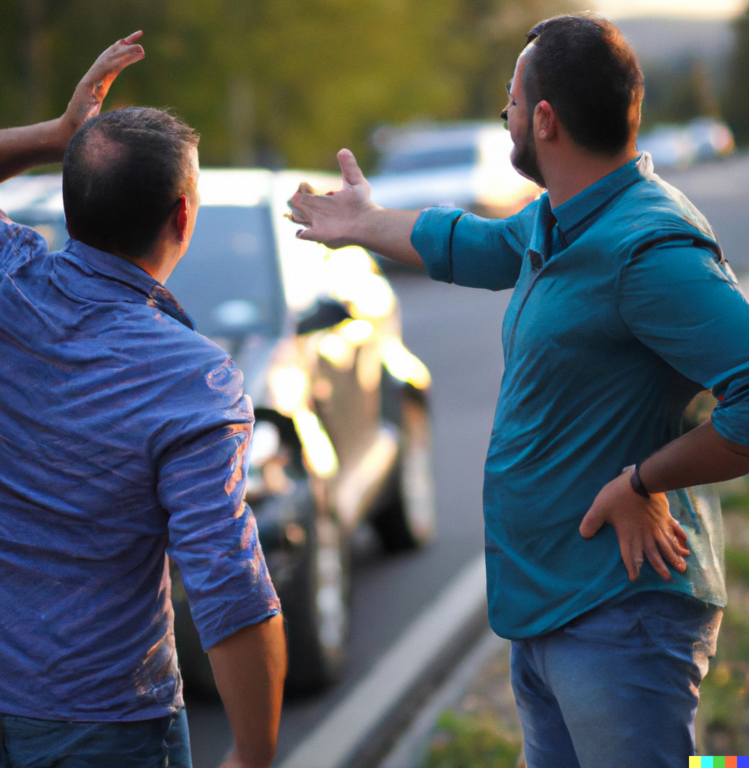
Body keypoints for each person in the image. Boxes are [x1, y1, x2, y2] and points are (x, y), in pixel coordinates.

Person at [288, 14, 749, 768]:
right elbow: (476, 243)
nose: (504, 117)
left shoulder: (648, 247)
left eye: (509, 101)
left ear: (543, 119)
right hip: (551, 606)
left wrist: (643, 479)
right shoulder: (564, 220)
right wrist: (367, 223)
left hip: (619, 610)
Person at [0, 33, 286, 768]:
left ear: (69, 197)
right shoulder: (192, 377)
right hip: (105, 729)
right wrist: (253, 755)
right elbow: (227, 580)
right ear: (183, 217)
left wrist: (58, 134)